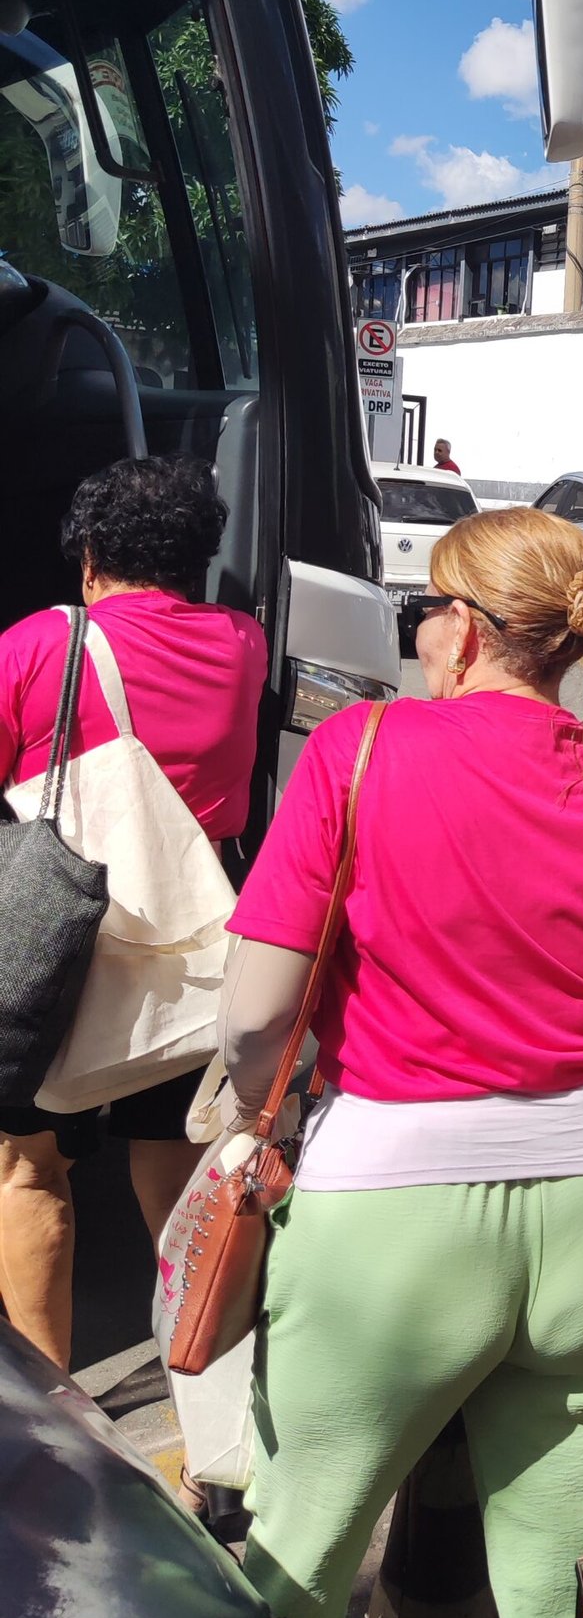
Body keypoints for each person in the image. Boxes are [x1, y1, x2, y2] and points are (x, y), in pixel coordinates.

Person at [219, 506, 583, 1618]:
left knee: (297, 1554)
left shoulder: (361, 747)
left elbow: (257, 1015)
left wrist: (248, 1106)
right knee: (579, 1582)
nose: (418, 631)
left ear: (463, 630)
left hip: (390, 1201)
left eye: (424, 609)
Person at [0, 455, 267, 1375]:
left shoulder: (41, 643)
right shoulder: (243, 642)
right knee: (174, 1170)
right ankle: (210, 1393)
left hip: (57, 937)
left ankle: (58, 1407)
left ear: (89, 557)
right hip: (190, 948)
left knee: (30, 1168)